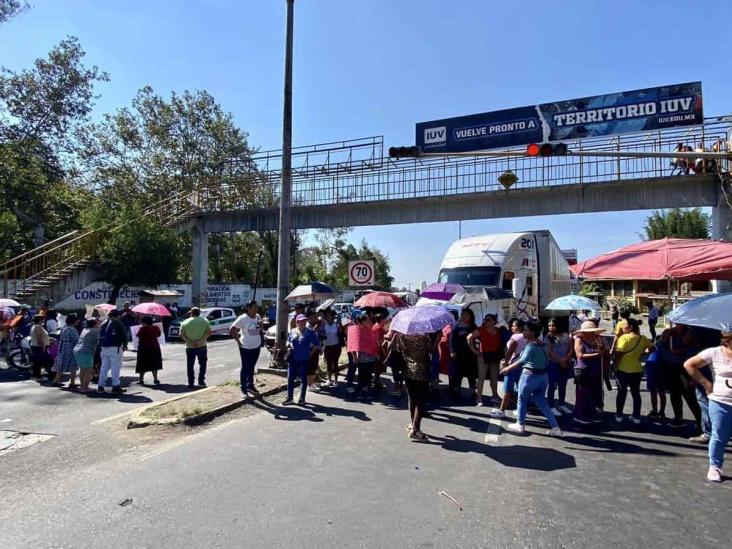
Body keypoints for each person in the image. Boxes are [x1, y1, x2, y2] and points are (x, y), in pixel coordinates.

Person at [683, 331, 732, 482]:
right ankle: (715, 467)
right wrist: (705, 383)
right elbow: (689, 364)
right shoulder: (714, 352)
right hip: (720, 402)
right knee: (719, 436)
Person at [500, 321, 563, 436]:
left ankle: (520, 424)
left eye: (526, 330)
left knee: (522, 400)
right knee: (542, 402)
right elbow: (546, 360)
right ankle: (555, 427)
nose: (523, 332)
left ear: (532, 332)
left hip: (529, 377)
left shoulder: (531, 345)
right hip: (543, 377)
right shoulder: (543, 344)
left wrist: (507, 368)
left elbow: (522, 360)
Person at [657, 323, 702, 430]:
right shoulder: (669, 333)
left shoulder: (690, 333)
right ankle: (678, 417)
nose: (678, 325)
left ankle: (701, 421)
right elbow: (659, 347)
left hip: (685, 367)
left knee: (689, 394)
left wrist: (682, 351)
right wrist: (663, 339)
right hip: (670, 366)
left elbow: (697, 351)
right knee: (674, 393)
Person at [391, 331, 435, 441]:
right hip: (421, 371)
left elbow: (393, 347)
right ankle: (415, 429)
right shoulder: (424, 336)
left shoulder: (401, 335)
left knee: (412, 397)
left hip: (407, 370)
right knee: (421, 400)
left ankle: (412, 423)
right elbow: (432, 350)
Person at [614, 318, 654, 424]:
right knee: (636, 393)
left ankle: (619, 415)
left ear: (631, 327)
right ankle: (636, 416)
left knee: (621, 393)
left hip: (623, 369)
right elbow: (652, 348)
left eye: (624, 326)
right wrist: (642, 353)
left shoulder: (624, 338)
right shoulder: (642, 338)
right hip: (637, 370)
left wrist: (615, 367)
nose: (623, 327)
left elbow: (619, 354)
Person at [490, 319, 526, 419]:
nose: (511, 328)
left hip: (512, 365)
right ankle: (520, 409)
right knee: (520, 388)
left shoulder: (515, 337)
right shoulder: (526, 337)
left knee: (507, 389)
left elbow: (510, 351)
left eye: (514, 326)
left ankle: (502, 410)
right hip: (521, 365)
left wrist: (505, 363)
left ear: (519, 327)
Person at [282, 314, 320, 405]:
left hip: (304, 359)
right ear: (297, 322)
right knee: (290, 378)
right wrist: (288, 346)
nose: (302, 323)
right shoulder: (292, 331)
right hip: (293, 359)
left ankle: (302, 398)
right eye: (300, 321)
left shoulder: (310, 332)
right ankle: (290, 398)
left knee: (303, 379)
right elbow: (288, 341)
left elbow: (317, 344)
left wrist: (310, 353)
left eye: (304, 321)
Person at [573, 321, 606, 424]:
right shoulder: (579, 340)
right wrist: (597, 354)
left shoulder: (597, 339)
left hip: (595, 369)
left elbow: (603, 351)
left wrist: (601, 349)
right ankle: (579, 415)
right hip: (582, 369)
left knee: (593, 392)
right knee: (582, 392)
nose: (592, 333)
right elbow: (580, 355)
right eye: (590, 331)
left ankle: (591, 413)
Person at [467, 313, 502, 406]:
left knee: (494, 378)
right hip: (483, 356)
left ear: (494, 322)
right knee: (481, 378)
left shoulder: (498, 331)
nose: (486, 321)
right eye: (485, 319)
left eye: (488, 319)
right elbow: (469, 337)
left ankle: (495, 396)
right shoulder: (481, 330)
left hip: (494, 355)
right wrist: (474, 350)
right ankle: (479, 398)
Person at [231, 300, 263, 395]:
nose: (256, 309)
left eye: (257, 307)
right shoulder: (243, 318)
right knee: (245, 367)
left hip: (256, 346)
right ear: (248, 308)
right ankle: (243, 388)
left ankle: (250, 385)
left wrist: (261, 326)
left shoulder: (258, 316)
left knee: (252, 366)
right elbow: (232, 328)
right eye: (254, 307)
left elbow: (259, 329)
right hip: (246, 347)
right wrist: (238, 340)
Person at [545, 318, 573, 416]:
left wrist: (566, 359)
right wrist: (560, 360)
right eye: (549, 325)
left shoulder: (566, 335)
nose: (551, 327)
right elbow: (550, 351)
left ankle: (562, 404)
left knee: (563, 384)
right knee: (552, 385)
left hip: (565, 363)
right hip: (553, 363)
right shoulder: (548, 337)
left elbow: (571, 348)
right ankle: (551, 406)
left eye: (553, 325)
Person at [180, 307, 212, 389]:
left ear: (191, 313)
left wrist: (189, 341)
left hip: (190, 346)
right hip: (201, 345)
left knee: (190, 364)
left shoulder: (184, 322)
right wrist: (200, 340)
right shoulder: (205, 321)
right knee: (203, 364)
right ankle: (201, 381)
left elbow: (181, 334)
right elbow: (209, 333)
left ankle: (191, 382)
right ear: (199, 313)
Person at [449, 309, 477, 398]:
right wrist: (452, 350)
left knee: (471, 373)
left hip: (470, 354)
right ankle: (456, 391)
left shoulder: (473, 326)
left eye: (467, 315)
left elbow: (478, 336)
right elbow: (452, 339)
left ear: (471, 316)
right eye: (463, 315)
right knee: (458, 373)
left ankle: (472, 390)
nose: (464, 317)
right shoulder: (457, 326)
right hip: (458, 354)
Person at [98, 309, 127, 394]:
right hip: (115, 347)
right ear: (117, 316)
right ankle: (116, 386)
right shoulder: (117, 322)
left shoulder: (103, 323)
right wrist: (125, 345)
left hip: (104, 347)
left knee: (104, 367)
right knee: (115, 367)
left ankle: (100, 386)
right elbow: (123, 334)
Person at [51, 314, 80, 388]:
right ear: (74, 321)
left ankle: (55, 380)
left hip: (63, 347)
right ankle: (72, 383)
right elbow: (77, 340)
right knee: (73, 366)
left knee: (61, 365)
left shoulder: (64, 328)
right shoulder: (72, 329)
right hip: (70, 348)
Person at [73, 319, 99, 393]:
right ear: (94, 324)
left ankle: (82, 387)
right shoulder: (95, 330)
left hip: (77, 350)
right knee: (88, 371)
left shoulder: (84, 329)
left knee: (82, 370)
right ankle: (85, 388)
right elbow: (100, 339)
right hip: (86, 351)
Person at [136, 316, 162, 385]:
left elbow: (137, 335)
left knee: (142, 365)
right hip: (154, 348)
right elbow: (159, 334)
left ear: (144, 322)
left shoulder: (142, 328)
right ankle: (155, 379)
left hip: (143, 348)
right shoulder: (156, 328)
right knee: (154, 364)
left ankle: (141, 380)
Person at [644, 348, 667, 423]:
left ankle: (655, 411)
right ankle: (661, 411)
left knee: (654, 392)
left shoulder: (654, 349)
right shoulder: (665, 349)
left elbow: (646, 352)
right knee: (661, 392)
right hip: (662, 371)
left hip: (653, 371)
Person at [321, 309, 343, 387]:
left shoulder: (336, 324)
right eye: (326, 316)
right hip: (327, 346)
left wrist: (340, 324)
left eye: (329, 315)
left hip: (336, 346)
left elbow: (341, 332)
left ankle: (336, 380)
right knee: (328, 364)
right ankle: (329, 380)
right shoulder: (324, 324)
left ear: (332, 317)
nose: (328, 317)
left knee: (335, 363)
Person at [305, 310, 324, 390]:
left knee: (314, 366)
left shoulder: (316, 325)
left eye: (315, 317)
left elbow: (319, 337)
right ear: (308, 319)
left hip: (316, 348)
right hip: (310, 348)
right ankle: (309, 385)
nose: (314, 319)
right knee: (310, 367)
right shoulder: (307, 327)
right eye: (312, 318)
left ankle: (312, 383)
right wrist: (314, 330)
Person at [29, 314, 50, 381]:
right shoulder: (37, 327)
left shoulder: (35, 326)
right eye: (43, 319)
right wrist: (43, 347)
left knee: (37, 363)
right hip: (38, 347)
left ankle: (36, 376)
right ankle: (38, 377)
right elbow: (39, 338)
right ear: (40, 320)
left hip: (36, 346)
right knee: (38, 363)